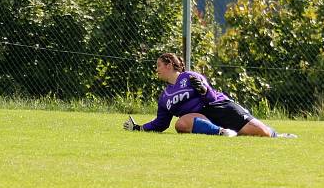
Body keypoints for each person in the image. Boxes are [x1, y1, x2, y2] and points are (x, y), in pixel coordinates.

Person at [123, 52, 298, 138]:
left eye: (158, 65)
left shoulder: (190, 77)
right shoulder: (164, 97)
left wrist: (204, 90)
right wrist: (139, 128)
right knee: (181, 124)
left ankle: (279, 135)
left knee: (263, 134)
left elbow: (211, 98)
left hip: (220, 107)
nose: (156, 69)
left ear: (169, 64)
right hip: (201, 118)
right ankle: (223, 133)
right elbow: (161, 124)